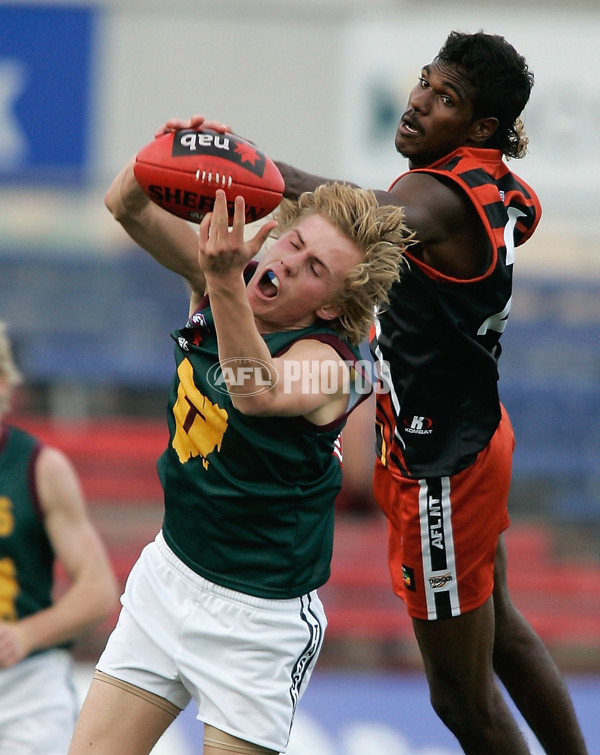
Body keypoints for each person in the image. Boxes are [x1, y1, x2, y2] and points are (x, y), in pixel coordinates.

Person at [161, 30, 588, 754]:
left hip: (439, 469)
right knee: (504, 628)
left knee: (460, 698)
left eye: (445, 98)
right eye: (425, 80)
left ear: (482, 128)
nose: (419, 101)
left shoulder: (432, 194)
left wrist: (245, 168)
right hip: (476, 431)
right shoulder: (499, 182)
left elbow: (358, 218)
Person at [68, 148, 410, 754]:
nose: (287, 262)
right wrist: (180, 149)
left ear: (330, 305)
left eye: (313, 269)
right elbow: (125, 202)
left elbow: (257, 390)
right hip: (168, 575)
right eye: (293, 242)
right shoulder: (219, 282)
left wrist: (224, 279)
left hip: (259, 621)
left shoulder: (336, 363)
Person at [0, 321, 118, 754]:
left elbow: (98, 588)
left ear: (3, 384)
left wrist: (26, 634)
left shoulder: (39, 468)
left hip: (26, 687)